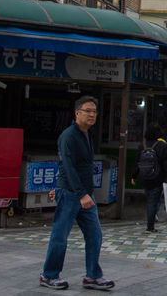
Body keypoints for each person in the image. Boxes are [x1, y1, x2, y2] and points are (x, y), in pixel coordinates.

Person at [40, 96, 114, 291]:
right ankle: (49, 275)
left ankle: (92, 276)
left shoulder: (86, 134)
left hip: (84, 195)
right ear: (77, 113)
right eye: (88, 111)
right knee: (60, 235)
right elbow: (68, 167)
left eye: (94, 111)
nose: (92, 115)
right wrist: (80, 194)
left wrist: (85, 194)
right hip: (71, 194)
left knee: (95, 234)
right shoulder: (68, 136)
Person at [130, 124, 167, 233]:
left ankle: (150, 223)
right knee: (153, 201)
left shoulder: (142, 145)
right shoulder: (162, 146)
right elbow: (165, 164)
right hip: (157, 178)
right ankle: (150, 226)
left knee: (150, 199)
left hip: (144, 177)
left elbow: (137, 162)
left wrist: (134, 176)